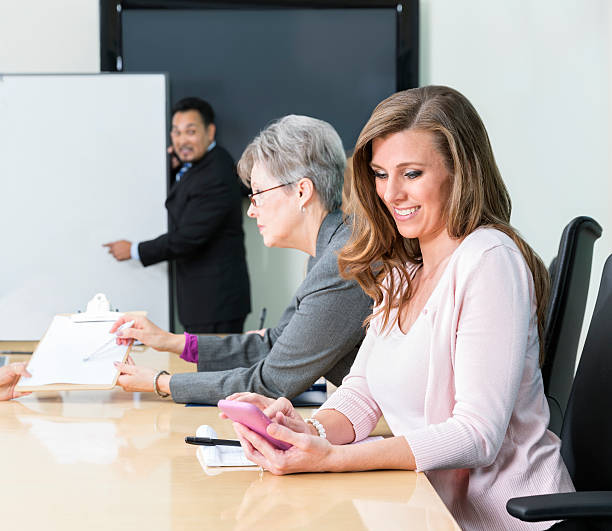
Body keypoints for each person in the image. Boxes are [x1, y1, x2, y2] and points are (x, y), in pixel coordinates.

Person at [224, 86, 575, 530]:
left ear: (458, 171)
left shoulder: (489, 260)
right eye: (380, 174)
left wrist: (337, 459)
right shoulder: (402, 273)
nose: (391, 194)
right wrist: (306, 432)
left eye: (411, 174)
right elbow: (360, 395)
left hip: (501, 522)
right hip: (426, 511)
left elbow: (477, 434)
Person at [110, 115, 372, 404]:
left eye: (258, 193)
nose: (251, 209)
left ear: (302, 191)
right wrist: (169, 341)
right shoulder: (331, 247)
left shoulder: (341, 262)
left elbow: (272, 381)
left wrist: (162, 382)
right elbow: (274, 343)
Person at [103, 97, 251, 334]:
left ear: (210, 131)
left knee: (213, 369)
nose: (182, 140)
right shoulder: (197, 167)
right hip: (204, 301)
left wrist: (135, 250)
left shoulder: (217, 172)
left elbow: (189, 237)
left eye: (190, 132)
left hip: (215, 303)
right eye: (176, 132)